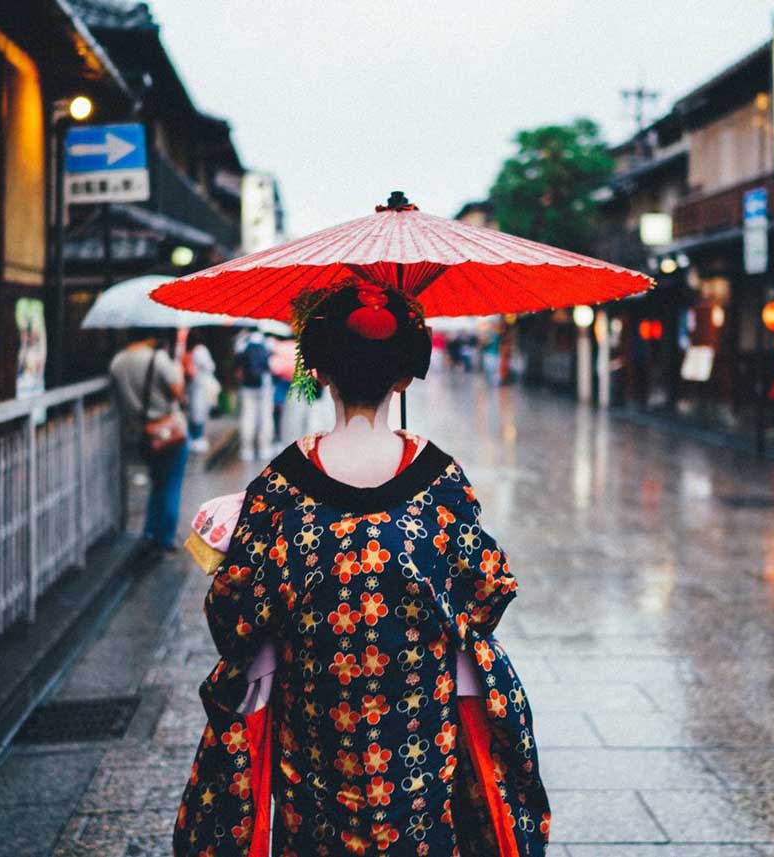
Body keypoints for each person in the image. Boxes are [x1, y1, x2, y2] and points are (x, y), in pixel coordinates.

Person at [174, 281, 549, 856]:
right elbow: (489, 591)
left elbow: (231, 615)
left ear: (318, 370)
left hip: (316, 734)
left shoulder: (281, 485)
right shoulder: (439, 480)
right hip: (420, 735)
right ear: (404, 377)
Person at [109, 331, 188, 551]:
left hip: (141, 433)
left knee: (156, 482)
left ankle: (150, 532)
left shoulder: (117, 363)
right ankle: (166, 539)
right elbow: (179, 394)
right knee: (171, 484)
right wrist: (178, 368)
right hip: (168, 431)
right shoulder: (158, 358)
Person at [235, 329, 274, 461]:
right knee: (266, 416)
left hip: (247, 386)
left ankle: (247, 450)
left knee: (247, 416)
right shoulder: (268, 343)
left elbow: (238, 368)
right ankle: (264, 448)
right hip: (265, 385)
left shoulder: (242, 343)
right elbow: (271, 365)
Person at [184, 332, 220, 454]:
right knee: (199, 411)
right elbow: (210, 366)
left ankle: (193, 437)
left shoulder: (187, 351)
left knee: (193, 410)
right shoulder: (201, 350)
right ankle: (198, 438)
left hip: (192, 384)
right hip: (201, 384)